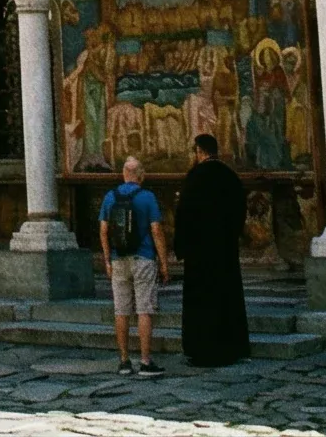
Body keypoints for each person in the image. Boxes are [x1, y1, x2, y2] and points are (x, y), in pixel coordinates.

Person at [174, 133, 250, 367]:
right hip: (224, 250)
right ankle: (232, 347)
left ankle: (203, 349)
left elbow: (183, 214)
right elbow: (240, 209)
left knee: (202, 300)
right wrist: (230, 235)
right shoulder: (230, 177)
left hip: (200, 253)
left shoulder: (195, 178)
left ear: (199, 151)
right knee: (227, 296)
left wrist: (182, 245)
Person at [97, 155, 170, 377]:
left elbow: (103, 230)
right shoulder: (147, 197)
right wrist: (164, 263)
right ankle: (146, 362)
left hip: (119, 260)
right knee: (144, 310)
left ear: (123, 174)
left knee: (121, 311)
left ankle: (124, 361)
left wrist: (108, 260)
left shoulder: (110, 197)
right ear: (141, 176)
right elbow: (156, 230)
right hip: (143, 258)